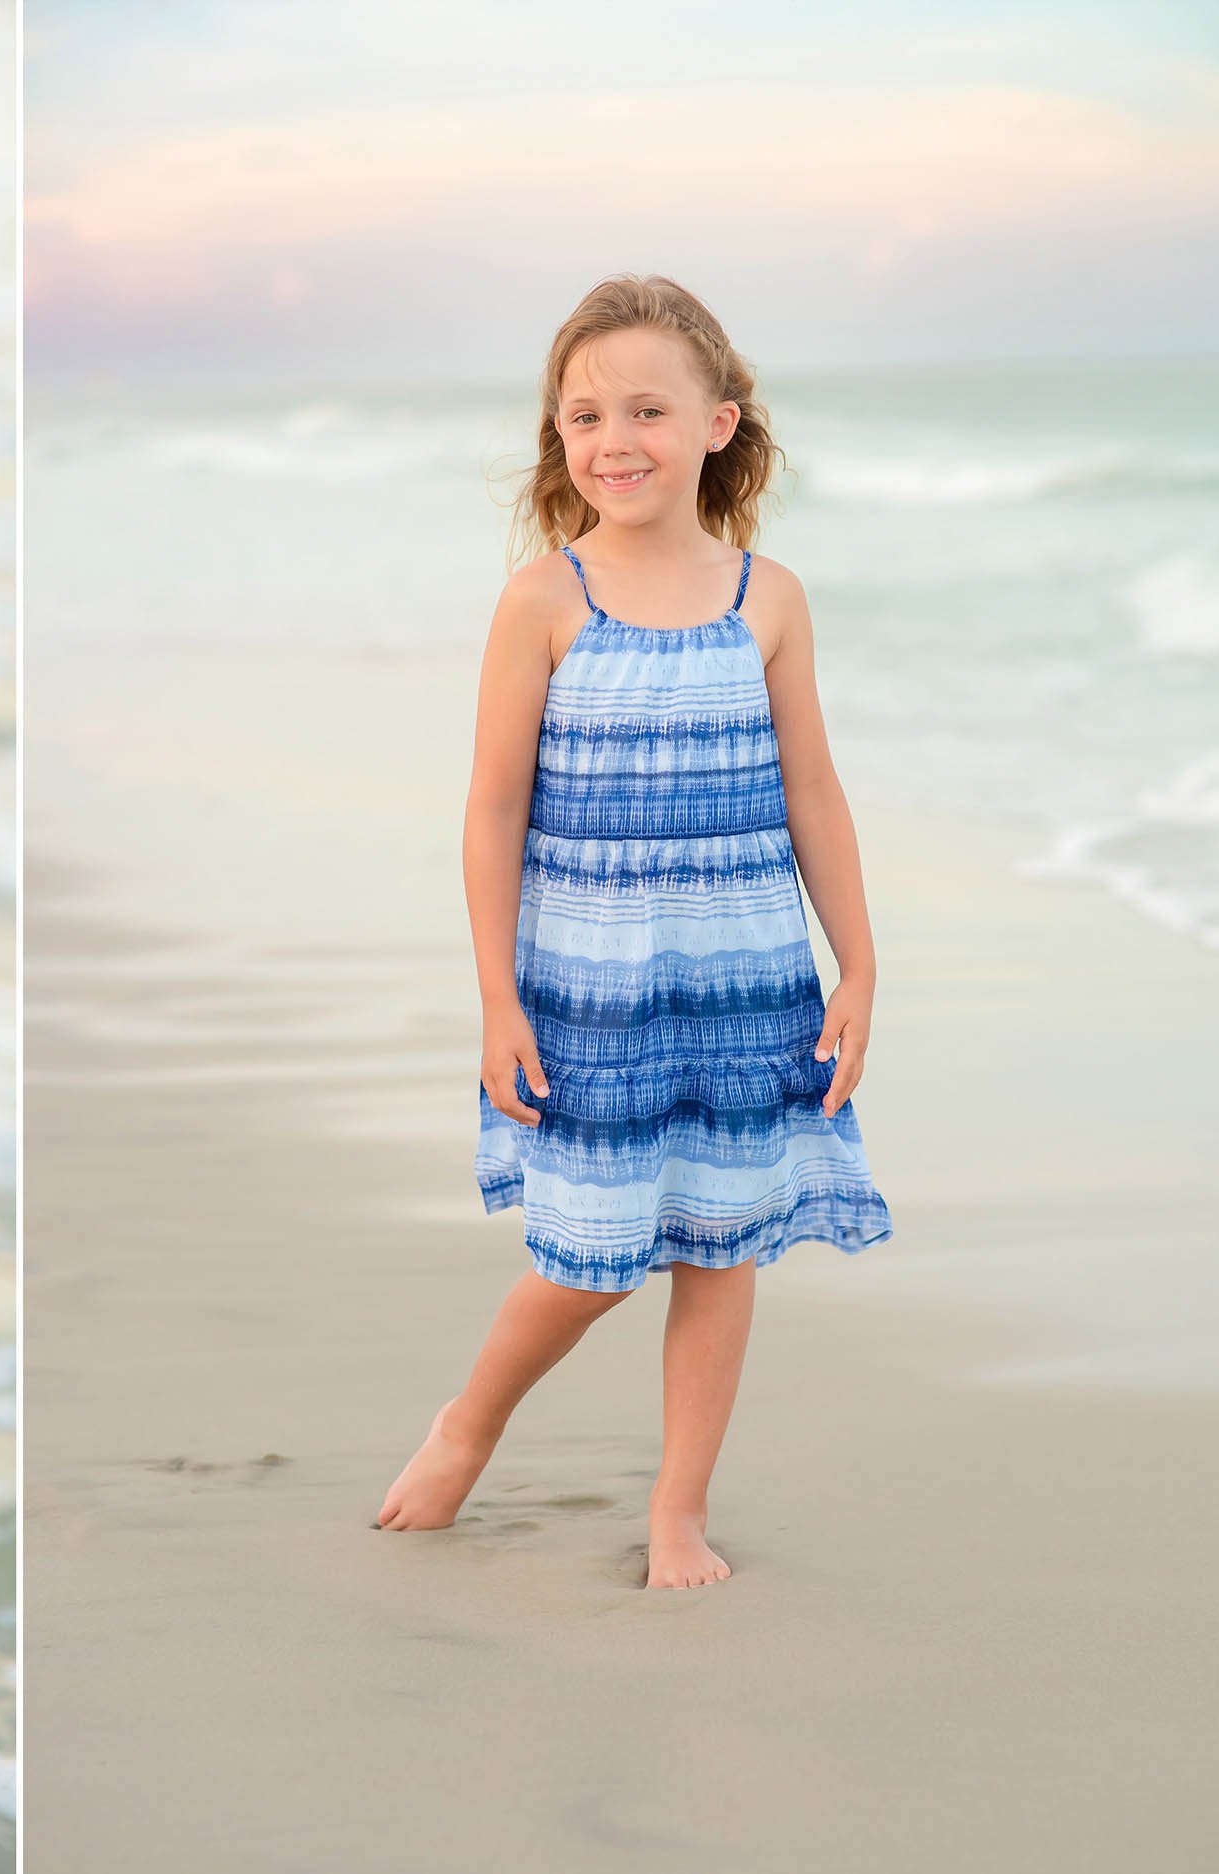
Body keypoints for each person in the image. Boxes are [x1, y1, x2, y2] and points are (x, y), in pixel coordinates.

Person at [376, 274, 891, 1589]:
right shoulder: (544, 602)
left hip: (742, 979)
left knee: (720, 1249)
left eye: (648, 409)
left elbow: (814, 793)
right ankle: (470, 1420)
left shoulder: (766, 597)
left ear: (721, 421)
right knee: (592, 1257)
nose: (616, 440)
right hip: (592, 985)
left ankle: (677, 1510)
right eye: (586, 414)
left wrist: (861, 964)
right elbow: (493, 811)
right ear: (559, 439)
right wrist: (497, 998)